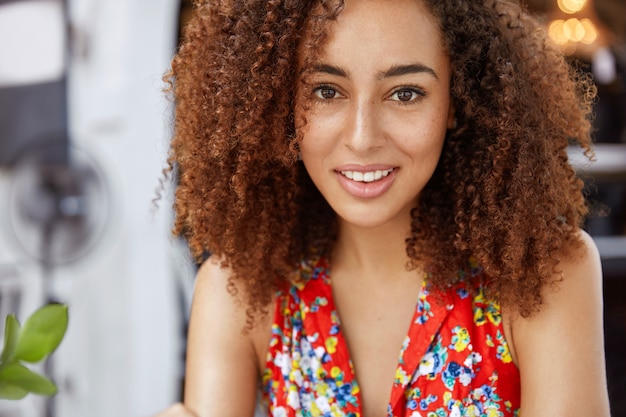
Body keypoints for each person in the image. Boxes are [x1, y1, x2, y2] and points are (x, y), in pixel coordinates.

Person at [156, 0, 611, 415]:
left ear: (456, 99)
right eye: (326, 91)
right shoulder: (240, 288)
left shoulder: (545, 274)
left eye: (405, 93)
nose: (362, 137)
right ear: (278, 101)